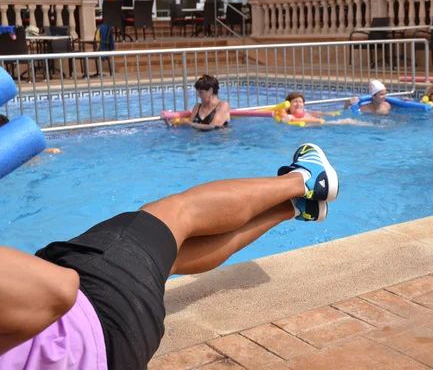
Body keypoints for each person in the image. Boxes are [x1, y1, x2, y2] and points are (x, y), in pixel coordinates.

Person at [0, 143, 339, 370]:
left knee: (165, 258)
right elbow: (58, 289)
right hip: (91, 320)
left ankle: (293, 208)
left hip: (113, 356)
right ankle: (305, 179)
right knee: (175, 215)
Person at [166, 74, 230, 131]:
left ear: (210, 91)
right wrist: (170, 123)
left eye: (201, 92)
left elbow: (214, 127)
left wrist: (189, 124)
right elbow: (189, 129)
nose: (198, 95)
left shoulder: (223, 105)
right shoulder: (197, 107)